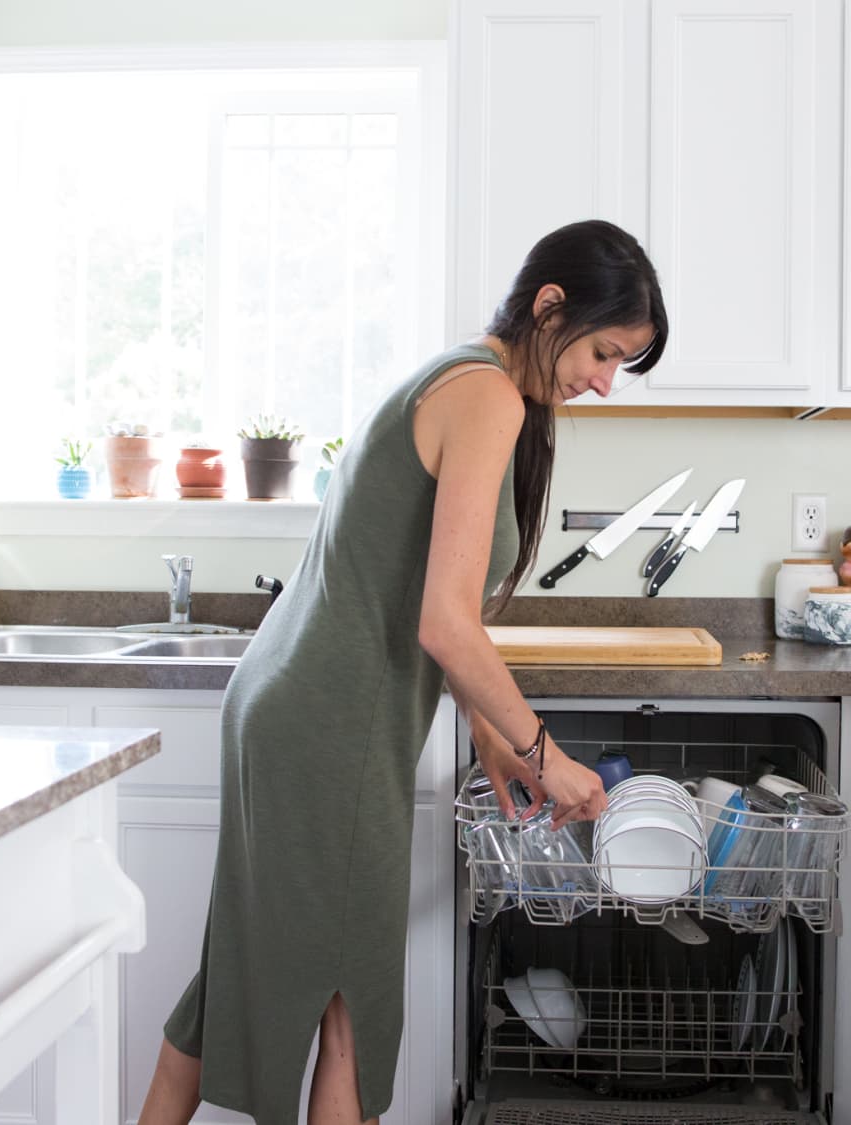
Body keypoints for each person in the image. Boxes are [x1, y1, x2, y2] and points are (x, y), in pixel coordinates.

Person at [136, 219, 668, 1125]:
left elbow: (421, 598)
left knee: (248, 965)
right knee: (351, 994)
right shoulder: (489, 395)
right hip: (329, 725)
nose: (603, 379)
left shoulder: (464, 376)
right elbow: (447, 622)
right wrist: (547, 756)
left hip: (292, 706)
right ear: (551, 306)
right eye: (603, 350)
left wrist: (493, 739)